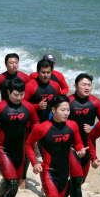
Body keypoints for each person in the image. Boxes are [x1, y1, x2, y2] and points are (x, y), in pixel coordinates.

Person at [26, 95, 86, 197]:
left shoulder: (72, 126)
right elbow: (28, 144)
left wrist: (79, 150)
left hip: (63, 172)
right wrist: (34, 163)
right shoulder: (42, 127)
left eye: (68, 109)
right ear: (53, 110)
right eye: (63, 109)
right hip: (48, 171)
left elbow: (78, 142)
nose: (66, 112)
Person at [63, 73, 100, 197]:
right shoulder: (68, 101)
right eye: (84, 84)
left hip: (88, 146)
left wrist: (93, 127)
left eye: (89, 84)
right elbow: (54, 119)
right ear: (75, 86)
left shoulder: (96, 103)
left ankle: (63, 196)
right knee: (76, 181)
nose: (87, 87)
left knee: (80, 180)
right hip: (69, 146)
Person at [21, 59, 61, 188]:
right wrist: (37, 106)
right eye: (43, 72)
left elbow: (58, 103)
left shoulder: (55, 86)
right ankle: (23, 178)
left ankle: (46, 183)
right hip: (31, 125)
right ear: (38, 72)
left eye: (48, 72)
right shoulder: (31, 85)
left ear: (51, 72)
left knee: (47, 154)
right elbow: (22, 104)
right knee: (28, 152)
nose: (45, 75)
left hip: (47, 125)